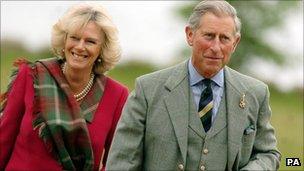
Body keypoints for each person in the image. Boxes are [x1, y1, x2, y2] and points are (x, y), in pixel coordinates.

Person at [106, 1, 281, 170]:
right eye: (209, 36)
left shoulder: (255, 94)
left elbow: (268, 154)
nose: (216, 47)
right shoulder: (147, 90)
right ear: (190, 35)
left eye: (224, 38)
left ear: (235, 43)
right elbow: (122, 162)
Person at [0, 3, 128, 170]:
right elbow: (3, 140)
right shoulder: (31, 75)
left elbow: (116, 161)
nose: (80, 46)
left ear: (101, 50)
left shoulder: (116, 95)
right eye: (74, 37)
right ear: (65, 39)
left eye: (90, 41)